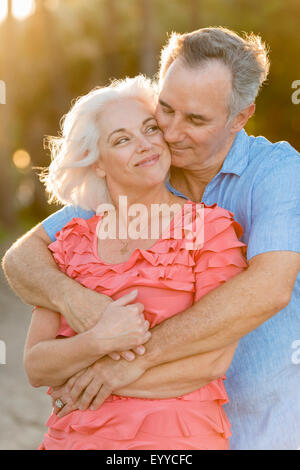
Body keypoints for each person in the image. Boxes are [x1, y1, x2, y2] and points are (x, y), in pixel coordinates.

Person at [3, 27, 300, 450]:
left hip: (265, 426)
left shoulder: (277, 173)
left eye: (195, 120)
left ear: (241, 117)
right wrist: (81, 304)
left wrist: (116, 370)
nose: (172, 133)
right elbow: (22, 258)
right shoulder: (144, 173)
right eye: (166, 109)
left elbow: (269, 289)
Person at [23, 76, 247, 450]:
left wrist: (97, 377)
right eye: (122, 139)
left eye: (150, 130)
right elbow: (36, 366)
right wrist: (98, 340)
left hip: (175, 441)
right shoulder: (71, 243)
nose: (146, 146)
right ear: (96, 164)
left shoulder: (209, 229)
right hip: (73, 439)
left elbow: (212, 361)